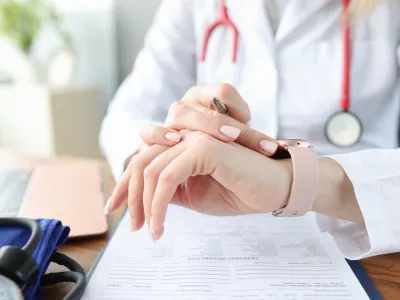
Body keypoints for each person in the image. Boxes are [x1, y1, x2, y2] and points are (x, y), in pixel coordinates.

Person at [100, 0, 400, 261]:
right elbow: (125, 116)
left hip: (360, 228)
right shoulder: (191, 5)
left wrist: (291, 180)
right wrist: (171, 143)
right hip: (209, 226)